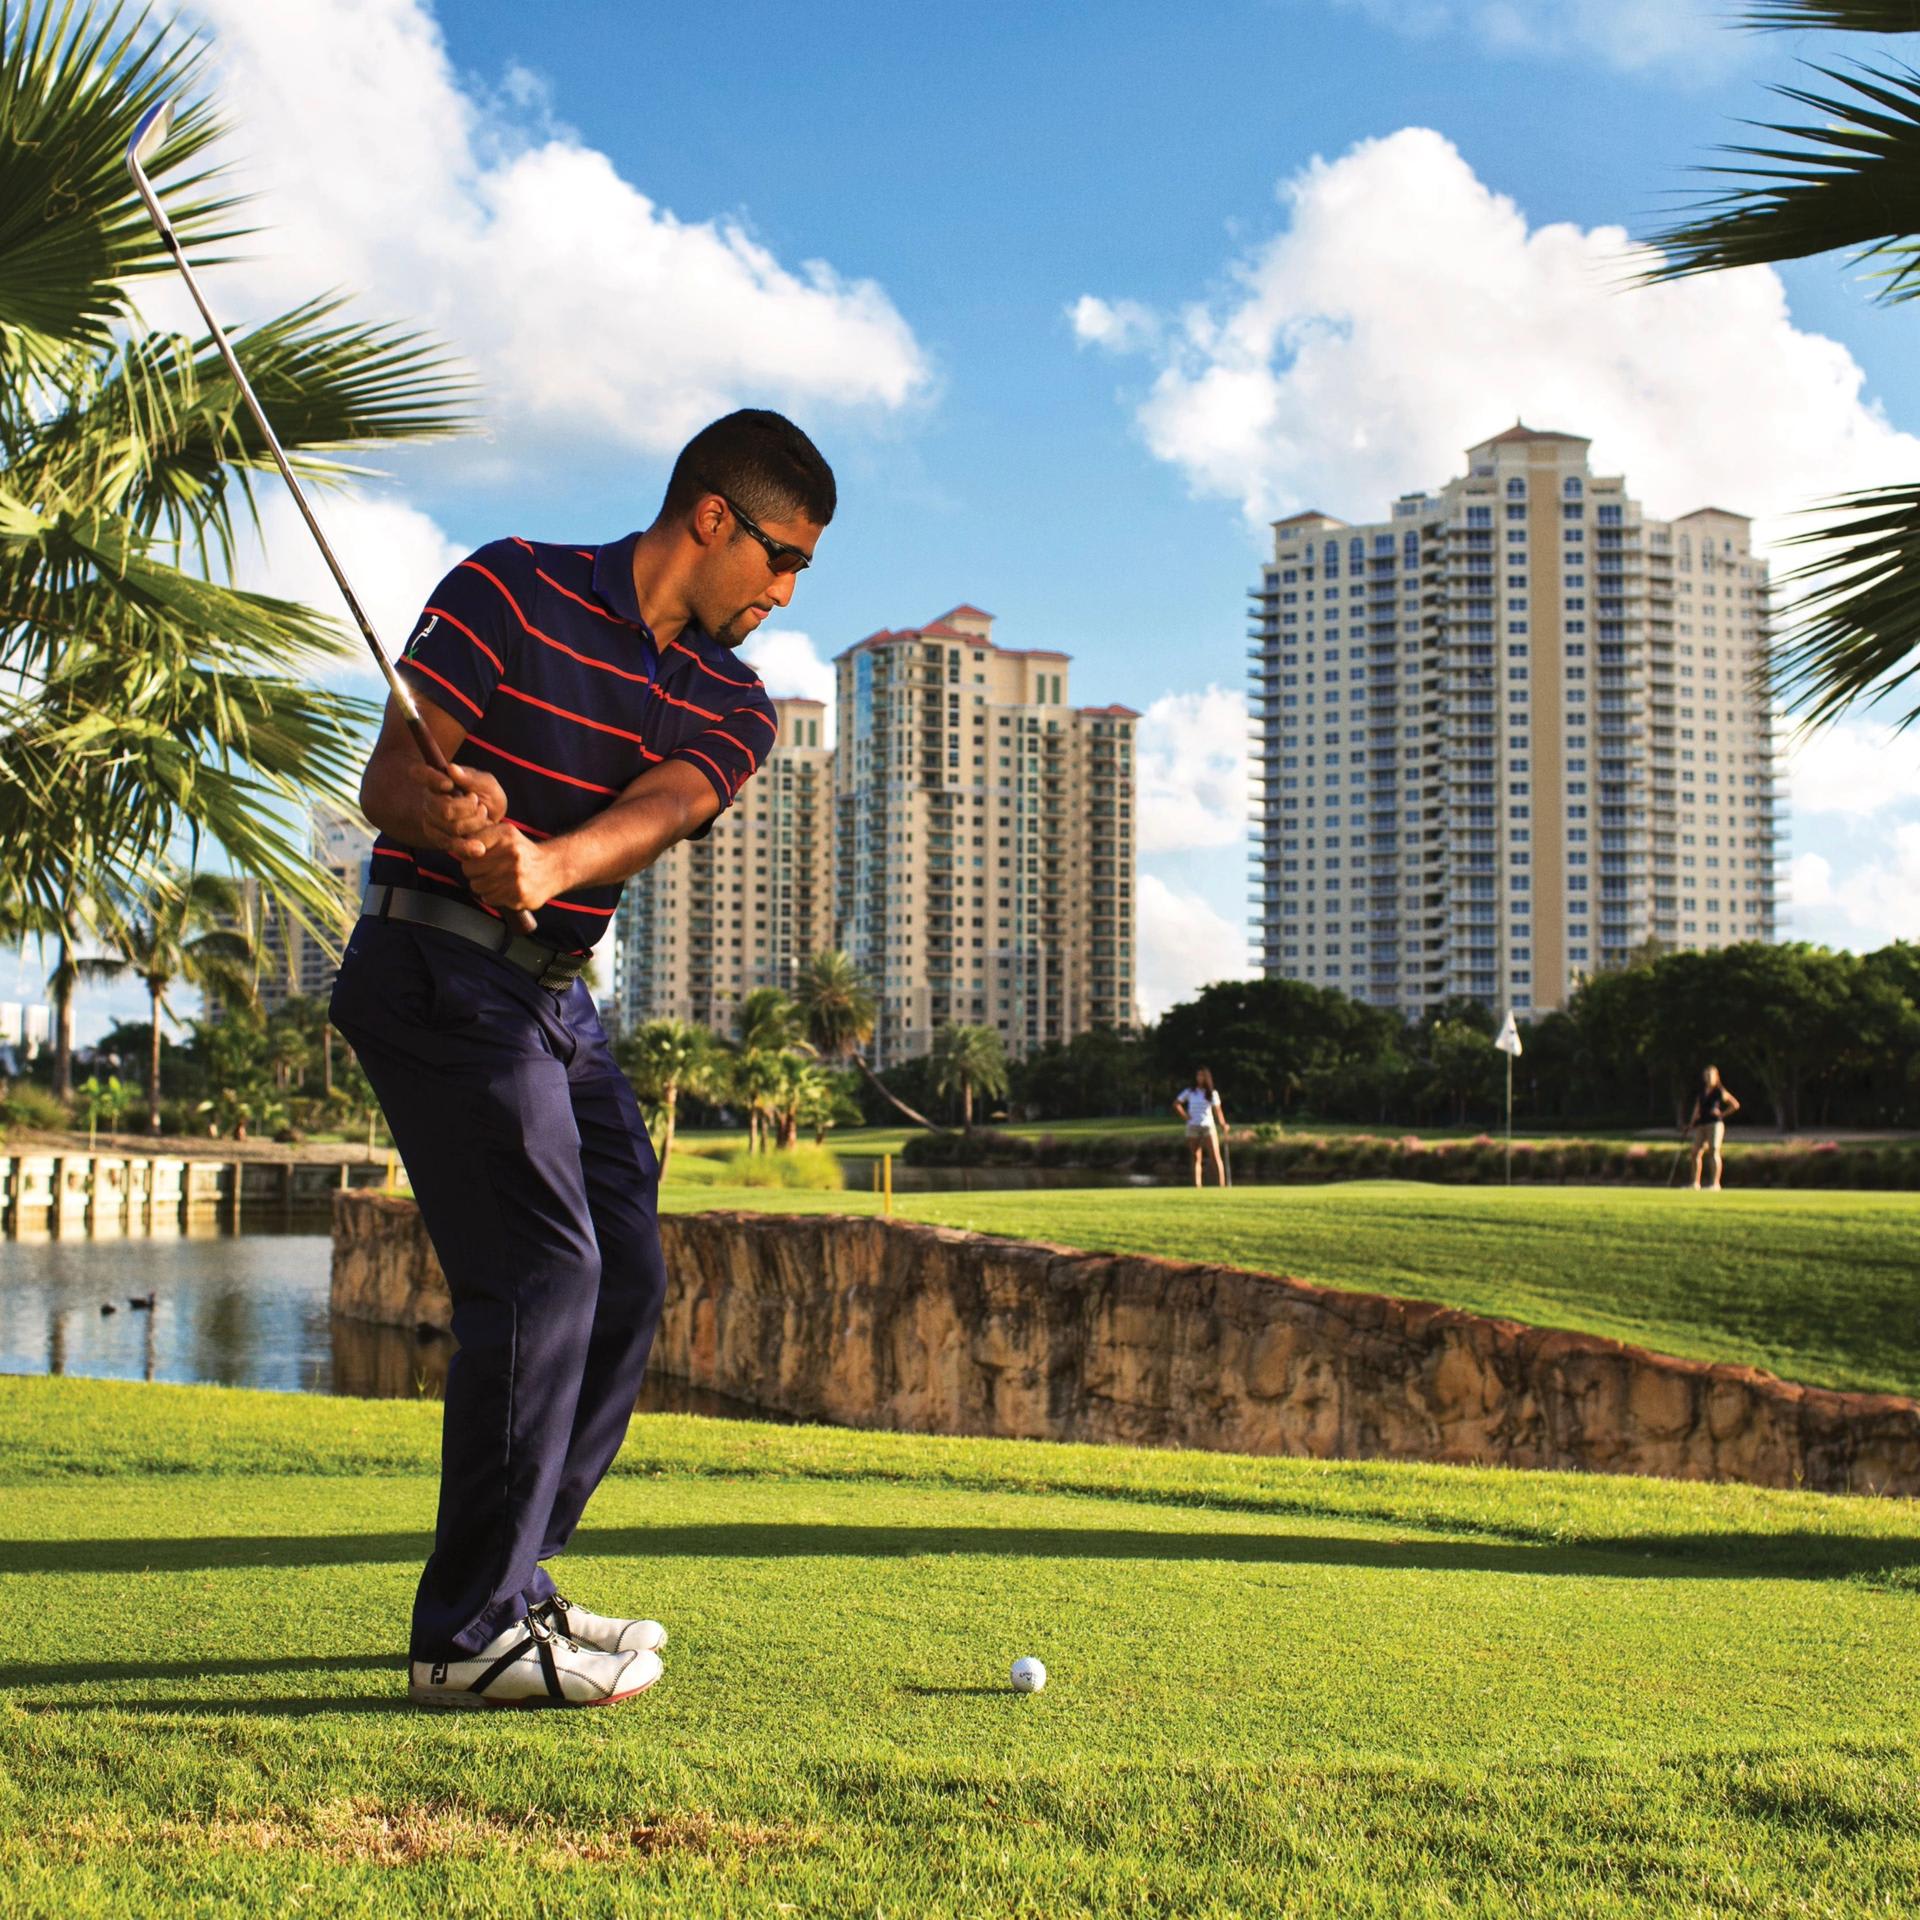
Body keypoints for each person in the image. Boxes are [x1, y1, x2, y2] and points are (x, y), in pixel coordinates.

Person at [329, 410, 834, 1709]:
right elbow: (390, 778)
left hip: (553, 998)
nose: (785, 594)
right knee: (542, 1267)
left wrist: (546, 861)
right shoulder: (512, 582)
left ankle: (516, 1581)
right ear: (710, 517)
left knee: (625, 1271)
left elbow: (662, 807)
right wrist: (451, 811)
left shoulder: (733, 698)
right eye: (783, 559)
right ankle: (466, 1636)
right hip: (432, 969)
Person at [1687, 1064, 1741, 1192]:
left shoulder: (1719, 1092)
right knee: (1695, 1152)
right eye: (1706, 1075)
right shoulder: (1702, 1092)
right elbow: (1697, 1109)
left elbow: (1735, 1105)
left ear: (1716, 1077)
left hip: (1715, 1124)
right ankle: (1695, 1183)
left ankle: (1715, 1183)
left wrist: (1722, 1114)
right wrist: (1691, 1124)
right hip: (1702, 1124)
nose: (1708, 1078)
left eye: (1710, 1075)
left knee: (1713, 1150)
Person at [1172, 1068, 1227, 1188]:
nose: (1199, 1078)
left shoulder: (1212, 1093)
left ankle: (1221, 1185)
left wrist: (1223, 1123)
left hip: (1207, 1125)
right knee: (1196, 1156)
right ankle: (1197, 1185)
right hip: (1193, 1126)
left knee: (1215, 1156)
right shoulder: (1190, 1092)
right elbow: (1176, 1103)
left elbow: (1218, 1111)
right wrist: (1186, 1117)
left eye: (1202, 1076)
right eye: (1198, 1076)